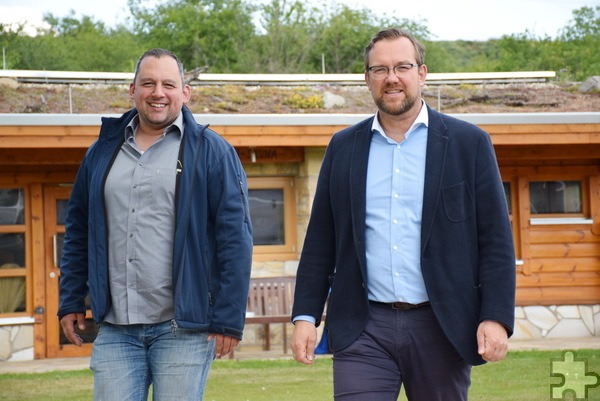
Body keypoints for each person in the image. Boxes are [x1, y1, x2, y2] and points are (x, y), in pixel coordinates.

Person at [291, 28, 515, 401]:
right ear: (367, 79)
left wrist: (495, 317)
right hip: (363, 327)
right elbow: (321, 241)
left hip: (442, 325)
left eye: (402, 67)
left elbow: (494, 240)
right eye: (379, 69)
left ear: (422, 73)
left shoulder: (468, 144)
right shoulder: (343, 148)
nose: (391, 78)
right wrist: (305, 317)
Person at [58, 48, 253, 401]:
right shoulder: (101, 153)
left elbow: (235, 239)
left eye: (168, 84)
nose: (157, 92)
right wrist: (71, 298)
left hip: (184, 328)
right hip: (116, 328)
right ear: (132, 90)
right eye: (148, 83)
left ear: (185, 92)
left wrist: (228, 317)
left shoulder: (212, 151)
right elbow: (78, 231)